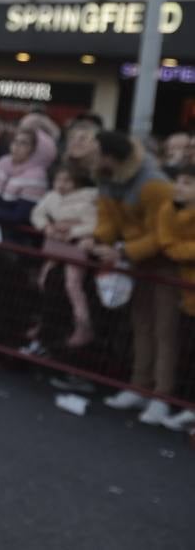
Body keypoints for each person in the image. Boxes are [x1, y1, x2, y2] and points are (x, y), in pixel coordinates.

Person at [85, 130, 178, 425]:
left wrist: (123, 251)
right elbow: (108, 218)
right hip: (136, 261)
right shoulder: (106, 177)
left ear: (110, 156)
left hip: (166, 265)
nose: (90, 154)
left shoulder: (153, 185)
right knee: (142, 324)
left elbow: (165, 234)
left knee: (165, 331)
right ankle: (140, 385)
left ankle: (162, 396)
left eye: (95, 150)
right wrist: (97, 239)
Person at [31, 166, 98, 349]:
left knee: (73, 284)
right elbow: (37, 213)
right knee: (43, 280)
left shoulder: (87, 200)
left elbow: (93, 224)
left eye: (66, 181)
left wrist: (72, 231)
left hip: (76, 246)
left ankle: (83, 324)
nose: (61, 185)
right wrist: (46, 227)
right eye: (58, 180)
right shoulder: (51, 197)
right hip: (57, 245)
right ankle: (45, 320)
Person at [157, 163, 195, 432]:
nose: (179, 186)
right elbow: (169, 246)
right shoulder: (168, 210)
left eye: (188, 182)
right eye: (179, 181)